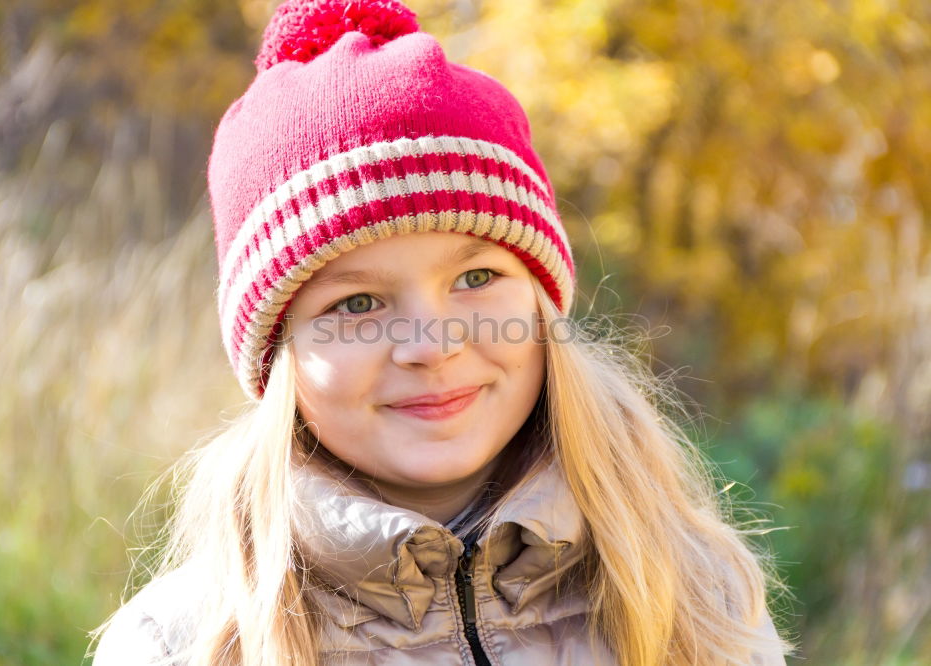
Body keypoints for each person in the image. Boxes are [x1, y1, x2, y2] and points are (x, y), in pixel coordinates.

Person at [91, 0, 795, 663]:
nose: (431, 346)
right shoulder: (188, 643)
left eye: (477, 279)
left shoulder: (694, 599)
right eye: (358, 304)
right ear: (279, 354)